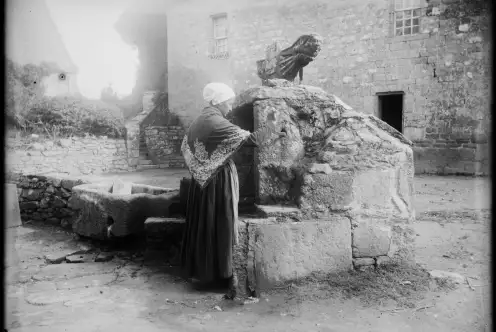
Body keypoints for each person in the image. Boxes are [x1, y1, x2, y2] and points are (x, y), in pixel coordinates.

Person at [180, 82, 284, 299]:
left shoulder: (199, 121)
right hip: (218, 183)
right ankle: (220, 275)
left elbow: (187, 148)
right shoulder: (217, 122)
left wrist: (203, 167)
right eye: (228, 101)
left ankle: (203, 272)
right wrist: (271, 125)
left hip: (201, 183)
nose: (231, 106)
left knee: (205, 224)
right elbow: (252, 140)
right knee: (221, 223)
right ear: (218, 101)